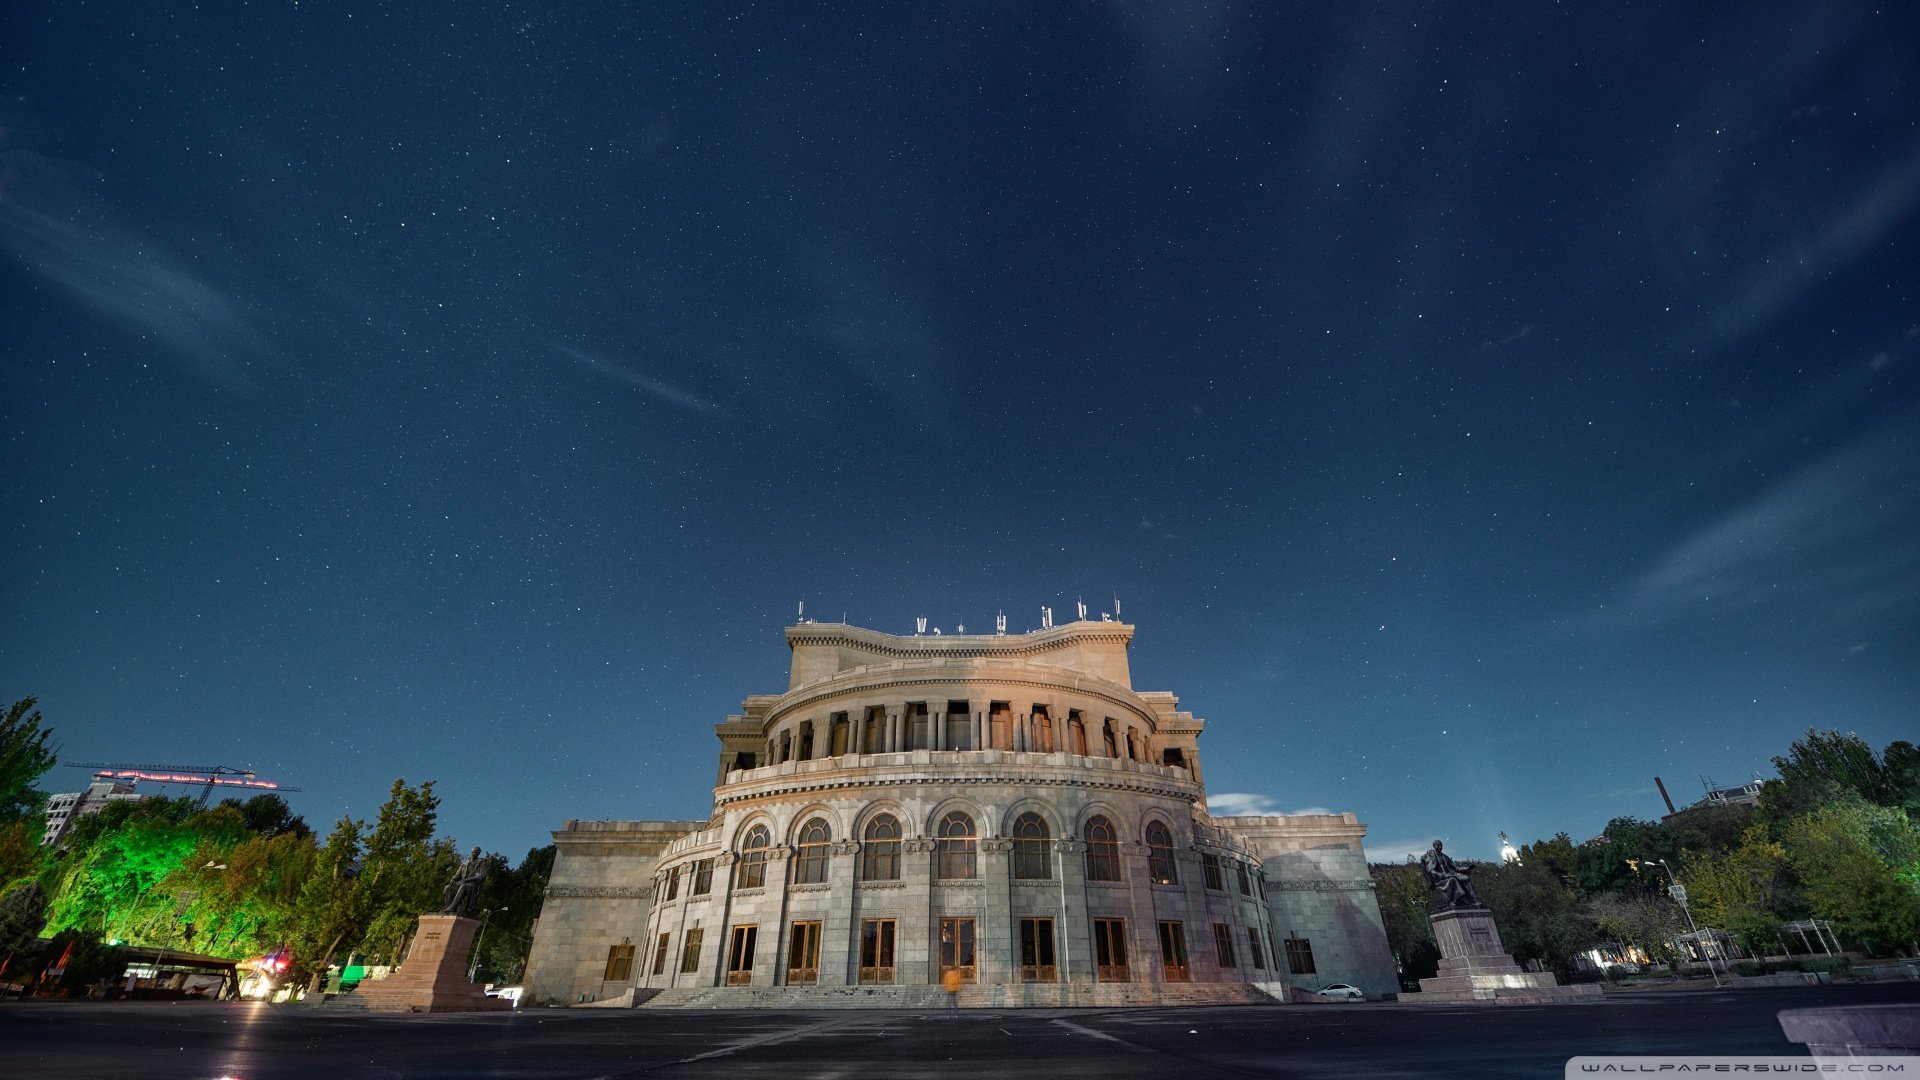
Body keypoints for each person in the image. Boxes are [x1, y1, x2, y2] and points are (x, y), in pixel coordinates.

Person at [1419, 840, 1480, 911]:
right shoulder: (1430, 855)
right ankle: (1453, 901)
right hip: (1439, 878)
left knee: (1466, 878)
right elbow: (1430, 868)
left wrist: (1467, 868)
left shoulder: (1445, 857)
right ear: (1434, 846)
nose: (1439, 847)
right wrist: (1436, 873)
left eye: (1441, 845)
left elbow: (1456, 868)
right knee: (1452, 880)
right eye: (1438, 845)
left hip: (1449, 875)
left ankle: (1473, 901)